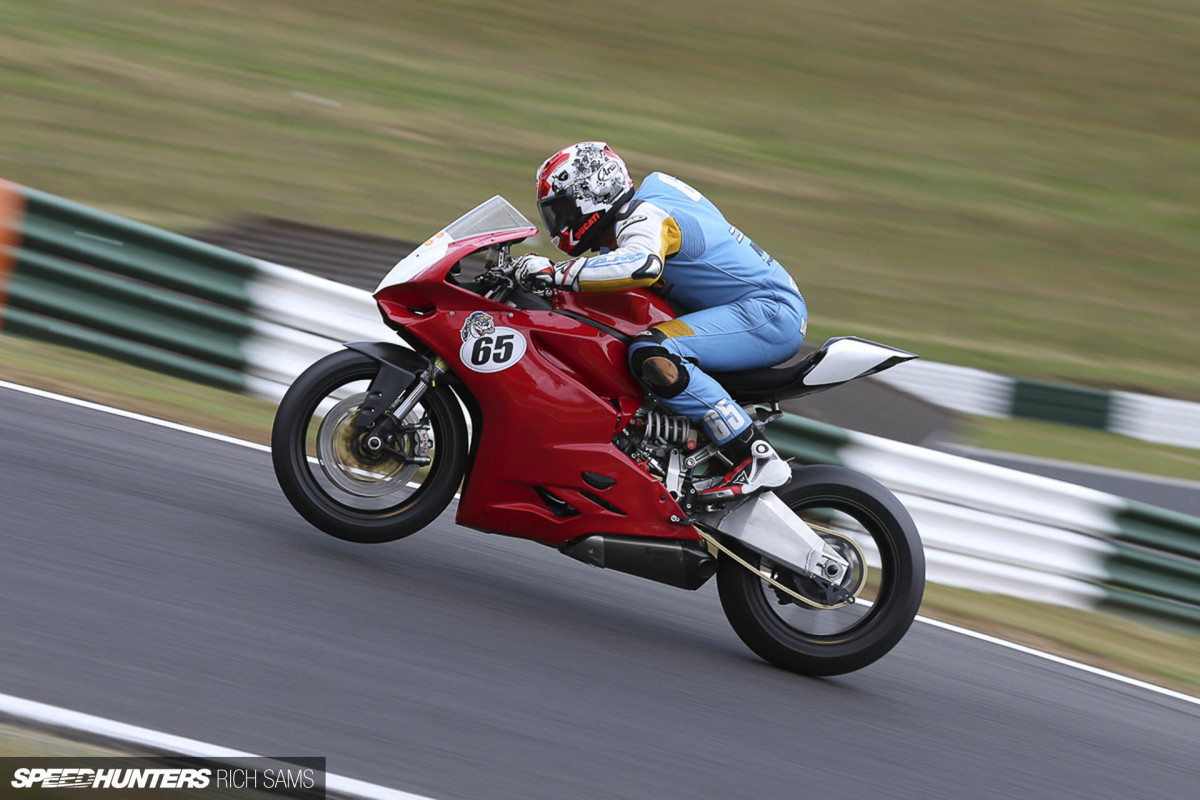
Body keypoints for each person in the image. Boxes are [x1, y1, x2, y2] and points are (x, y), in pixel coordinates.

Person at [514, 141, 807, 500]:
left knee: (653, 351)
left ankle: (755, 455)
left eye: (562, 210)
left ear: (591, 196)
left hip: (769, 311)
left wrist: (554, 273)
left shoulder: (645, 216)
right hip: (747, 306)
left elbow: (642, 265)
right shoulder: (640, 212)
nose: (559, 223)